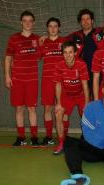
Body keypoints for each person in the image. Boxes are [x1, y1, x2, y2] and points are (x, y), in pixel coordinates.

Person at [4, 10, 40, 147]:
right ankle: (21, 138)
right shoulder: (14, 38)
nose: (27, 23)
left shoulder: (37, 39)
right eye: (25, 20)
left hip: (32, 80)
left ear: (34, 23)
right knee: (19, 108)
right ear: (21, 22)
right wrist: (7, 76)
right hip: (17, 79)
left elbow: (44, 56)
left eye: (30, 20)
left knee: (31, 109)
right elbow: (8, 58)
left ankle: (35, 138)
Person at [53, 41, 89, 154]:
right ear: (62, 54)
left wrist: (87, 103)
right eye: (65, 53)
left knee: (87, 116)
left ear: (75, 53)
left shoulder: (81, 64)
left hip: (81, 95)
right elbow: (58, 84)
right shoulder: (59, 65)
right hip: (67, 95)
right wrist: (58, 103)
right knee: (59, 113)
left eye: (70, 52)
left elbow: (85, 85)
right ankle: (62, 143)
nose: (68, 55)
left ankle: (88, 142)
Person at [40, 17, 67, 146]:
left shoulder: (65, 42)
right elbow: (36, 57)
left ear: (59, 28)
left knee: (63, 110)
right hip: (47, 81)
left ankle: (64, 137)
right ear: (47, 28)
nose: (52, 28)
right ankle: (49, 136)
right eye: (50, 26)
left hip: (62, 81)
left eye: (55, 26)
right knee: (48, 108)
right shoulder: (43, 42)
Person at [67, 8, 104, 96]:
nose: (85, 21)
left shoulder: (100, 32)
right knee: (84, 101)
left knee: (98, 99)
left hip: (97, 73)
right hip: (81, 73)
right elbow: (59, 39)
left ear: (92, 21)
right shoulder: (74, 36)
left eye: (88, 19)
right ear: (80, 22)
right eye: (83, 19)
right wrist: (46, 37)